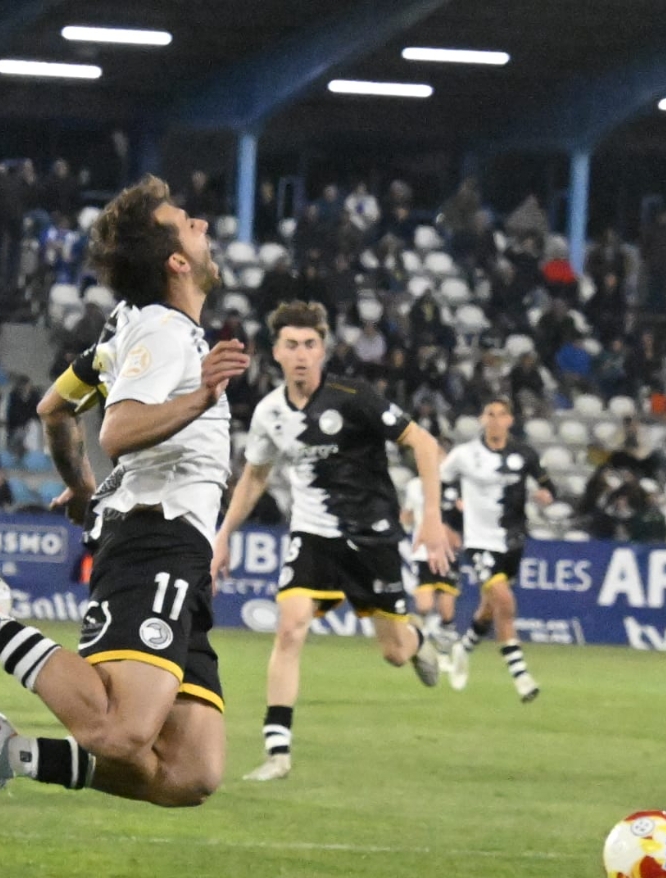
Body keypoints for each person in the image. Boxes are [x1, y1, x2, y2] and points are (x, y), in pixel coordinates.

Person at [0, 176, 250, 823]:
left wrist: (82, 488)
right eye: (188, 222)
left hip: (178, 549)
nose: (203, 227)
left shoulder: (130, 330)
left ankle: (14, 755)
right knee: (120, 732)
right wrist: (200, 398)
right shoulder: (163, 329)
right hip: (154, 538)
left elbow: (54, 408)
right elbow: (118, 430)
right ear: (175, 261)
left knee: (190, 772)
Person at [212, 300, 452, 782]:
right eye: (291, 345)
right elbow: (255, 477)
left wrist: (432, 518)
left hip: (371, 536)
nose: (301, 354)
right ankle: (277, 752)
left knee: (394, 652)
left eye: (310, 344)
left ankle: (417, 640)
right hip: (312, 535)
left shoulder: (354, 397)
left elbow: (425, 444)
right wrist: (223, 538)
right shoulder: (269, 412)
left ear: (323, 350)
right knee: (290, 627)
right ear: (276, 352)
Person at [442, 398, 556, 702]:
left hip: (513, 541)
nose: (495, 419)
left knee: (489, 607)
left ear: (510, 420)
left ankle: (463, 648)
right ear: (482, 419)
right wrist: (451, 512)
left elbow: (548, 485)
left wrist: (546, 495)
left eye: (501, 414)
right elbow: (441, 482)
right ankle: (521, 677)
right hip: (479, 541)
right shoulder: (465, 455)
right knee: (505, 602)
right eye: (489, 414)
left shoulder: (524, 453)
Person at [401, 475, 463, 652]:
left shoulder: (452, 484)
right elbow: (407, 515)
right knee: (424, 605)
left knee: (446, 607)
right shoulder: (414, 485)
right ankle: (429, 634)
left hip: (447, 551)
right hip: (422, 552)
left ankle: (443, 647)